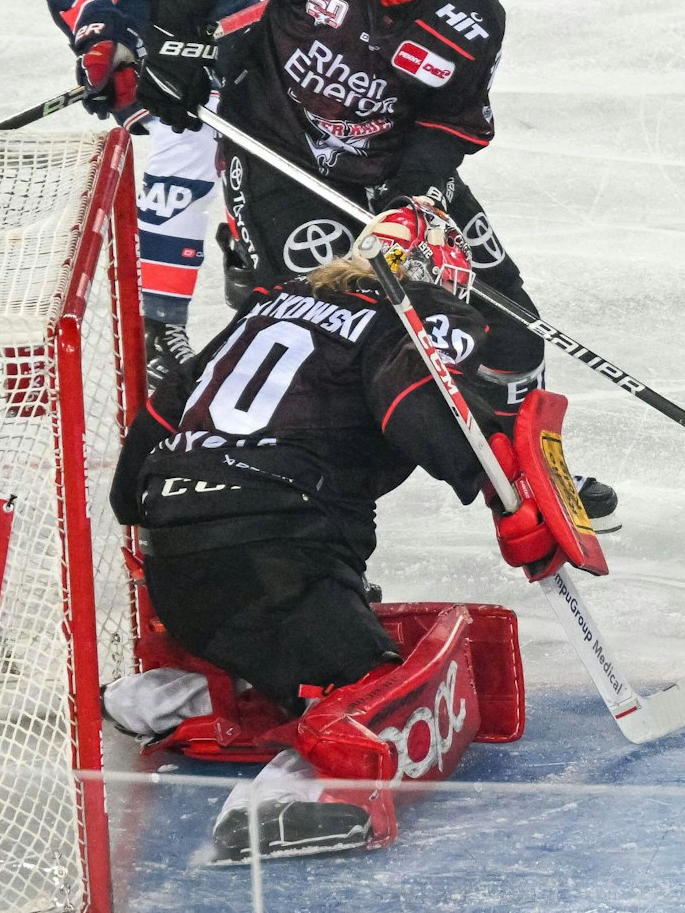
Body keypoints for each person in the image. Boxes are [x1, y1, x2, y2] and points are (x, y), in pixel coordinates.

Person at [131, 0, 620, 529]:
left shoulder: (471, 13)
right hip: (279, 161)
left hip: (393, 173)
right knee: (319, 337)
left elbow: (453, 124)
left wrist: (407, 200)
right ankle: (301, 517)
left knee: (512, 331)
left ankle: (530, 469)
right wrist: (177, 45)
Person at [104, 202, 573, 859]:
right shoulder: (407, 306)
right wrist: (501, 490)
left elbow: (157, 417)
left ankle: (158, 696)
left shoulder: (271, 302)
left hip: (175, 555)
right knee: (368, 683)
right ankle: (293, 795)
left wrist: (146, 505)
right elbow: (417, 409)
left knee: (292, 628)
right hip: (275, 550)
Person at [30, 0, 383, 386]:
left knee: (284, 101)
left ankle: (249, 246)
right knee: (186, 131)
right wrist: (102, 36)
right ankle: (158, 329)